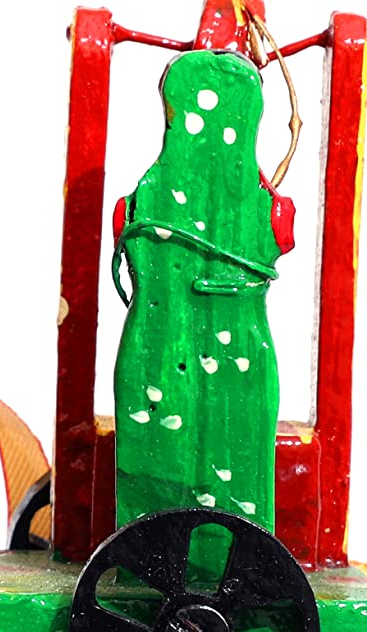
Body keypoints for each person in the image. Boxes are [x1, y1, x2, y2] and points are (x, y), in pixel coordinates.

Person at [110, 48, 292, 531]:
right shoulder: (265, 202)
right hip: (187, 347)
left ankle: (193, 555)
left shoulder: (148, 193)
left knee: (218, 452)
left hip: (169, 344)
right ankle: (176, 553)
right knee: (174, 457)